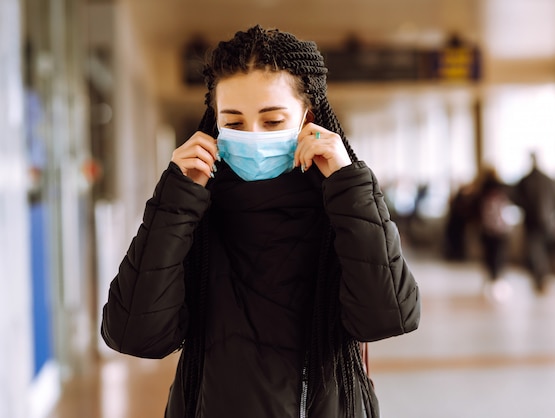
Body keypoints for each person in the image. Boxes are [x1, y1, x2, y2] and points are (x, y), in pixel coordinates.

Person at [100, 25, 420, 418]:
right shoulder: (192, 210)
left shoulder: (341, 205)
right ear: (213, 123)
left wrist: (348, 183)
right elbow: (134, 334)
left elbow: (387, 316)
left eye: (271, 122)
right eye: (233, 123)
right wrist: (175, 201)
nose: (252, 135)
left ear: (309, 118)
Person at [512, 152, 555, 294]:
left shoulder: (527, 180)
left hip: (533, 221)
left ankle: (541, 276)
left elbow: (517, 198)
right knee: (539, 251)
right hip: (546, 221)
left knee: (536, 251)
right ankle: (542, 276)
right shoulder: (547, 179)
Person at [473, 165, 513, 298]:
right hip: (501, 228)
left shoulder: (481, 190)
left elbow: (476, 210)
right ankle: (497, 277)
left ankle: (492, 277)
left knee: (489, 254)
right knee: (499, 254)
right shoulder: (504, 189)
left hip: (487, 228)